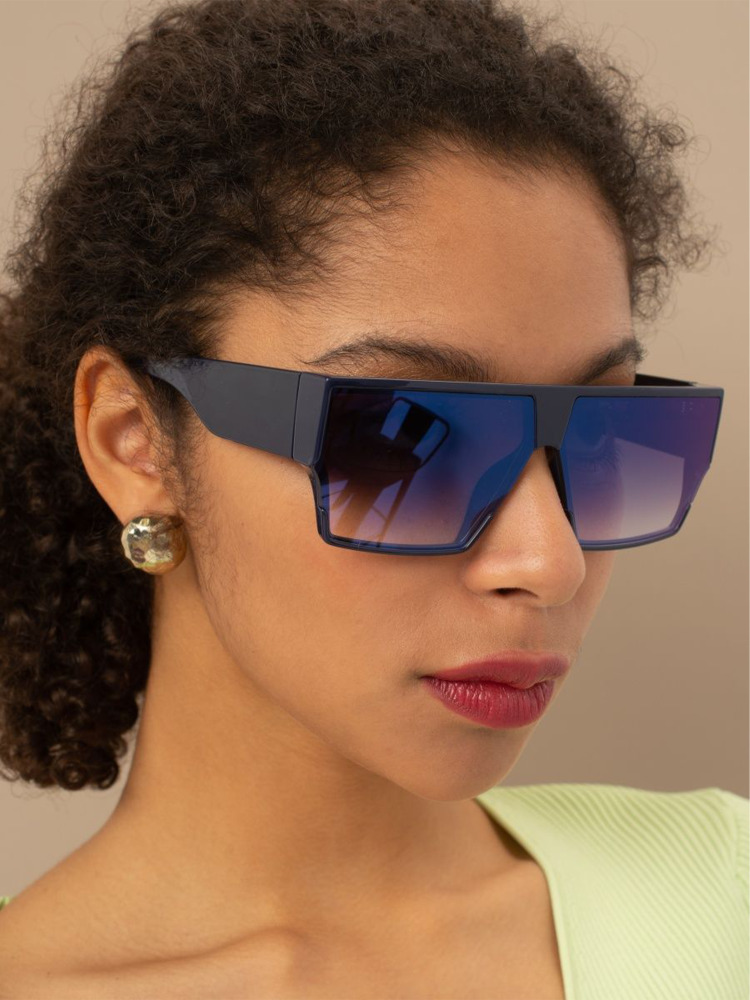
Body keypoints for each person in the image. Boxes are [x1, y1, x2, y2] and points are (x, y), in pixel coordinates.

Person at [0, 0, 746, 997]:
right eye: (404, 436)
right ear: (134, 440)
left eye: (602, 431)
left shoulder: (727, 900)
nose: (550, 561)